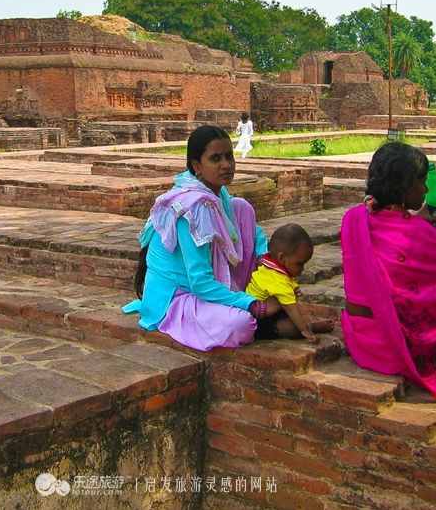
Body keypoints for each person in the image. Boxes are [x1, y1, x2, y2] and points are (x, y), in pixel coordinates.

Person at [340, 142, 436, 405]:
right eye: (422, 182)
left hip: (361, 337)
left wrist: (414, 219)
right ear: (405, 186)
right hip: (392, 348)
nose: (425, 189)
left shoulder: (353, 218)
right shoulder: (418, 234)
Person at [123, 125, 274, 351]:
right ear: (197, 167)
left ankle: (253, 298)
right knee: (241, 323)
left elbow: (256, 239)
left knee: (241, 207)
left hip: (209, 289)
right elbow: (200, 283)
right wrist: (251, 305)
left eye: (229, 156)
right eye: (215, 159)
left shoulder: (218, 196)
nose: (226, 165)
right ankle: (261, 317)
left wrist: (272, 272)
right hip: (178, 297)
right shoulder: (194, 206)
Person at [245, 223, 317, 342]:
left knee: (297, 314)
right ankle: (311, 328)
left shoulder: (271, 267)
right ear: (282, 258)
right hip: (259, 320)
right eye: (299, 264)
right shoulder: (278, 279)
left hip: (271, 311)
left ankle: (308, 325)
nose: (302, 269)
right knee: (292, 326)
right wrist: (305, 331)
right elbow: (291, 308)